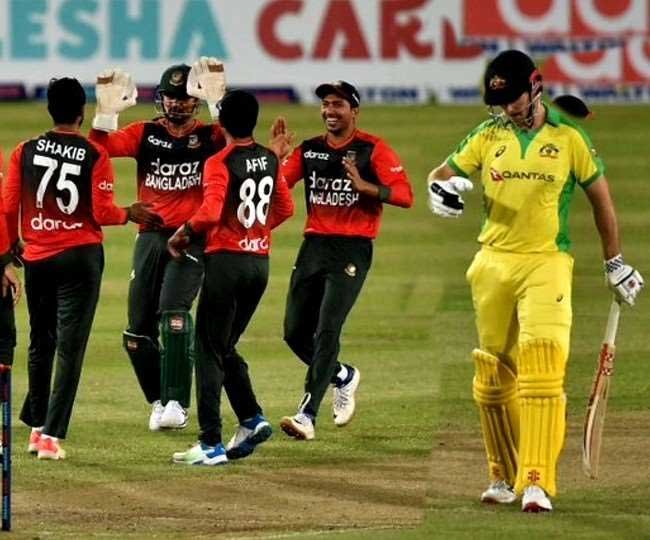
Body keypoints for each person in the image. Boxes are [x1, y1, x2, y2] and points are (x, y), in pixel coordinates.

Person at [426, 49, 644, 512]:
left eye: (515, 98)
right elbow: (441, 175)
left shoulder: (569, 138)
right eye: (500, 101)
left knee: (542, 370)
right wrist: (439, 191)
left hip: (547, 263)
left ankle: (537, 480)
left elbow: (602, 203)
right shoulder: (488, 135)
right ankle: (503, 475)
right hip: (492, 264)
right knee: (492, 377)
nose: (508, 108)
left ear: (536, 86)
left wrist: (615, 262)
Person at [3, 77, 160, 460]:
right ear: (81, 113)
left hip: (38, 257)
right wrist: (128, 213)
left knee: (41, 342)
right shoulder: (94, 153)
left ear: (49, 110)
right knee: (70, 349)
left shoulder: (24, 151)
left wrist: (9, 252)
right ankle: (51, 438)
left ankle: (36, 427)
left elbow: (7, 208)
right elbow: (102, 212)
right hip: (80, 258)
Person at [88, 58, 227, 430]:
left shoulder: (211, 137)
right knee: (136, 332)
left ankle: (178, 403)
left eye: (184, 97)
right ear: (161, 99)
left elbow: (236, 146)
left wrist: (220, 104)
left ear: (196, 100)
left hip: (190, 238)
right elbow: (99, 150)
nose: (176, 104)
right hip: (150, 236)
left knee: (174, 314)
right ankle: (159, 399)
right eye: (170, 96)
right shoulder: (145, 133)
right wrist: (104, 116)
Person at [271, 80, 414, 441]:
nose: (330, 111)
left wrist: (369, 188)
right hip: (314, 246)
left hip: (352, 249)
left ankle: (306, 415)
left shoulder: (372, 149)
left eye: (338, 104)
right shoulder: (311, 150)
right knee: (293, 333)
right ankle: (342, 375)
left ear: (354, 111)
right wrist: (273, 158)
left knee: (327, 330)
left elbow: (405, 195)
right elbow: (277, 185)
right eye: (326, 104)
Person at [168, 90, 294, 465]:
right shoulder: (269, 158)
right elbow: (285, 208)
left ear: (221, 121)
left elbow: (209, 212)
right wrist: (254, 232)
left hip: (226, 263)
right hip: (259, 264)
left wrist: (183, 233)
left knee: (208, 350)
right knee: (223, 345)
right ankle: (251, 418)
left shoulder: (219, 161)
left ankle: (210, 443)